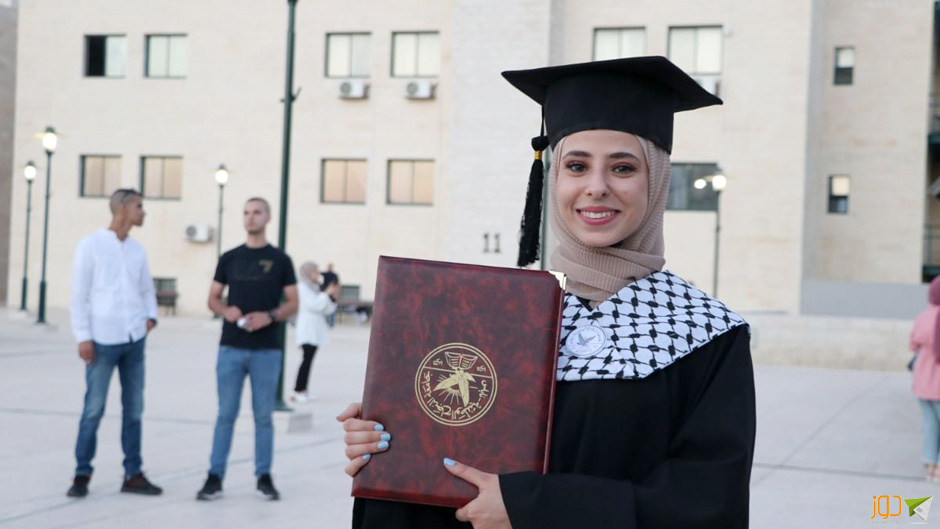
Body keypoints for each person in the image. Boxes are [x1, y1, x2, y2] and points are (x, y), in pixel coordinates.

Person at [337, 56, 756, 528]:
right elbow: (439, 470)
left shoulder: (704, 332)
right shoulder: (490, 312)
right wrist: (387, 440)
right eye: (576, 166)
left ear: (656, 180)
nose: (596, 187)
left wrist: (533, 508)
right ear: (554, 177)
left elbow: (708, 503)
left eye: (623, 168)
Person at [196, 197, 298, 501]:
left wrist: (270, 316)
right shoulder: (229, 257)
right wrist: (225, 310)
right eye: (246, 212)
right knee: (225, 414)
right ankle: (214, 477)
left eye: (256, 212)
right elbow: (213, 298)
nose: (250, 217)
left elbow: (293, 303)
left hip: (267, 349)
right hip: (231, 348)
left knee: (263, 417)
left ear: (268, 217)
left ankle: (263, 477)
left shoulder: (280, 260)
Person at [67, 188, 162, 498]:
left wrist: (150, 318)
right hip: (102, 341)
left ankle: (133, 473)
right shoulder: (90, 245)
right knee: (93, 409)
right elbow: (78, 295)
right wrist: (83, 336)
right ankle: (82, 473)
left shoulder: (137, 250)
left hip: (134, 339)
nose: (143, 212)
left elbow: (146, 289)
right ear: (123, 209)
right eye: (139, 206)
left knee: (134, 410)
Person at [291, 261, 340, 403]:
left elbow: (326, 308)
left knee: (309, 360)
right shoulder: (302, 287)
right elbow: (314, 304)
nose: (317, 274)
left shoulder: (315, 287)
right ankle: (297, 390)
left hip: (316, 329)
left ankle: (304, 390)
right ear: (307, 272)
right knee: (306, 360)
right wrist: (326, 294)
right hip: (307, 329)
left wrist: (333, 297)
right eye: (315, 271)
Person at [909, 276, 940, 482]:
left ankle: (930, 466)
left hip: (922, 381)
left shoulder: (924, 316)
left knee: (930, 424)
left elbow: (912, 345)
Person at [321, 264, 340, 328]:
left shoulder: (334, 275)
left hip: (331, 294)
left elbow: (337, 284)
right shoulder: (325, 274)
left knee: (331, 309)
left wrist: (335, 294)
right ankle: (323, 323)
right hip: (325, 292)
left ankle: (331, 324)